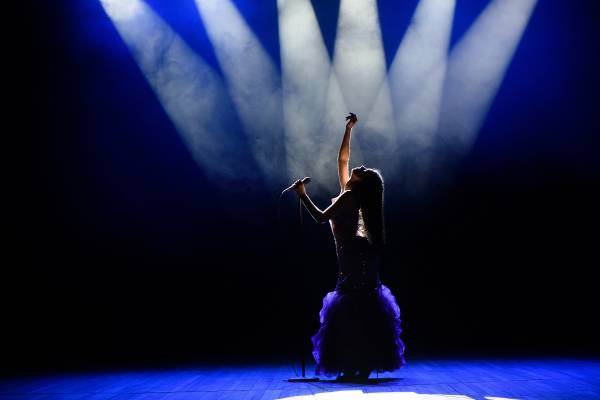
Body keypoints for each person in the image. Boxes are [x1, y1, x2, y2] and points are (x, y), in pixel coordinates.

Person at [291, 113, 405, 381]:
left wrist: (302, 195)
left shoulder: (351, 195)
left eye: (365, 172)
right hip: (355, 259)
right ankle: (358, 365)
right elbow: (342, 160)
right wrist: (348, 129)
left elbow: (320, 217)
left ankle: (358, 364)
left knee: (352, 311)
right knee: (359, 310)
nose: (361, 167)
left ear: (363, 185)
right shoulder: (349, 193)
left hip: (353, 260)